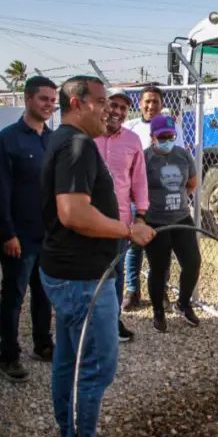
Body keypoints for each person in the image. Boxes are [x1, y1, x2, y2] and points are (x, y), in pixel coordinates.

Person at [39, 76, 155, 437]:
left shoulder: (64, 140)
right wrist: (127, 230)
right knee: (96, 368)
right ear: (77, 104)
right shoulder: (76, 145)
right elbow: (73, 213)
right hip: (83, 281)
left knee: (69, 360)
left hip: (70, 273)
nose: (108, 109)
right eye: (101, 101)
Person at [0, 76, 57, 382]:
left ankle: (43, 345)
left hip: (49, 236)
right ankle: (9, 354)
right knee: (13, 296)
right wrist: (7, 234)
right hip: (19, 237)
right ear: (28, 99)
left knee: (44, 294)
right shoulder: (7, 141)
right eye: (44, 99)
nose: (49, 105)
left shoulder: (53, 140)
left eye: (53, 100)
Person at [122, 86, 185, 311]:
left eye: (155, 101)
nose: (151, 106)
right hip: (134, 198)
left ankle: (161, 291)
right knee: (134, 245)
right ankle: (132, 290)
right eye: (147, 101)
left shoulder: (173, 127)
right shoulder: (129, 128)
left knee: (162, 246)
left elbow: (179, 159)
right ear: (139, 104)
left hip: (161, 199)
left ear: (161, 104)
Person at [93, 88, 149, 342]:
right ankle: (89, 325)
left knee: (115, 275)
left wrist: (141, 213)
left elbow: (138, 179)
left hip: (121, 220)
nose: (117, 112)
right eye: (113, 105)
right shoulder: (87, 136)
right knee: (90, 274)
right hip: (89, 219)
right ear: (104, 105)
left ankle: (113, 322)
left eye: (123, 108)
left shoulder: (132, 140)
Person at [143, 114, 201, 333]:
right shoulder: (145, 158)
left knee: (193, 262)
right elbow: (137, 189)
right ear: (153, 137)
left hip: (181, 219)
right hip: (155, 221)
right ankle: (158, 310)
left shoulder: (183, 155)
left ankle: (183, 303)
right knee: (158, 268)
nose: (167, 140)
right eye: (162, 136)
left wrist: (176, 200)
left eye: (171, 136)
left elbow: (191, 183)